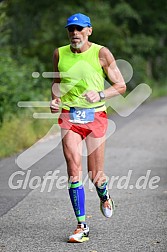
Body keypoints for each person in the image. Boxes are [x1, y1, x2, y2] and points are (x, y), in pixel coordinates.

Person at [50, 13, 126, 243]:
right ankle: (82, 226)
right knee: (74, 170)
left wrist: (100, 93)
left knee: (96, 175)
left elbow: (121, 85)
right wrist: (54, 100)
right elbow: (56, 82)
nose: (75, 33)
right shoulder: (59, 53)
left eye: (79, 29)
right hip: (70, 116)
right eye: (71, 29)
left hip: (96, 117)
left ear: (89, 31)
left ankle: (104, 195)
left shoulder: (101, 53)